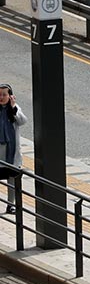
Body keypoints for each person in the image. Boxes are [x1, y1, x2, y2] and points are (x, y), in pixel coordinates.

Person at [0, 84, 27, 214]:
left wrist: (13, 107)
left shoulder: (14, 109)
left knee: (11, 177)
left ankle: (10, 204)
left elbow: (22, 121)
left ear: (10, 96)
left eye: (4, 94)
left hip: (11, 149)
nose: (1, 97)